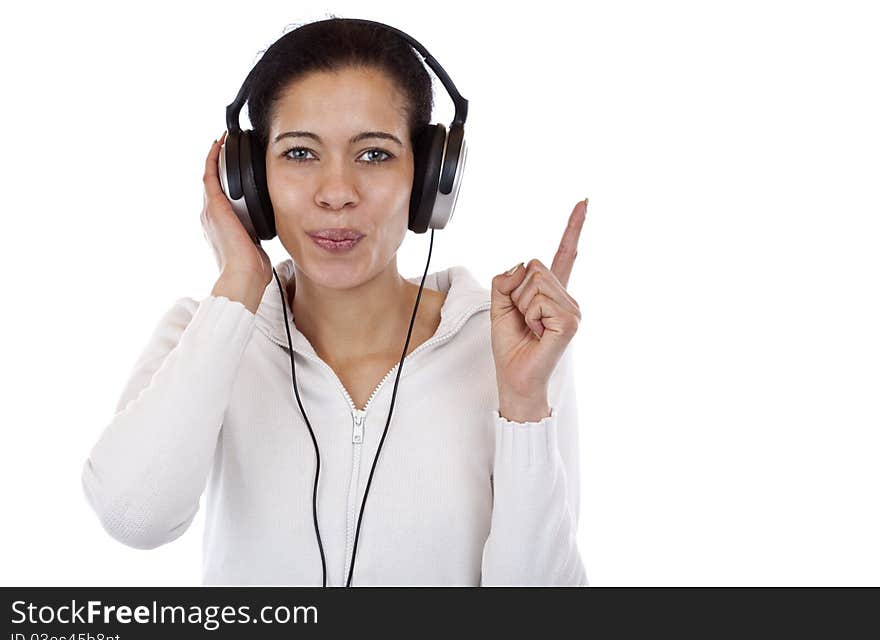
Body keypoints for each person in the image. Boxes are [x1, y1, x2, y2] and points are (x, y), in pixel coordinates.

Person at [81, 17, 589, 586]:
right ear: (250, 180)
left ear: (431, 178)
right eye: (300, 154)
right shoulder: (201, 335)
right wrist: (239, 285)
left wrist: (522, 403)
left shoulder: (509, 350)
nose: (337, 193)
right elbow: (134, 519)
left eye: (374, 155)